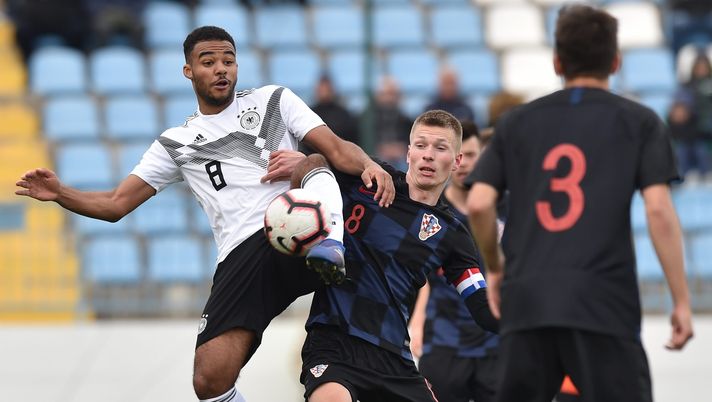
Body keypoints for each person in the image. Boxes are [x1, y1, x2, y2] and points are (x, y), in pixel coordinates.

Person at [16, 26, 395, 402]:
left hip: (301, 227)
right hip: (243, 252)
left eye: (228, 60)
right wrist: (61, 193)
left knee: (312, 159)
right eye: (209, 61)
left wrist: (368, 165)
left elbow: (336, 147)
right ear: (188, 71)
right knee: (209, 380)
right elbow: (117, 204)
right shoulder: (176, 143)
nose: (221, 69)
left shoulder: (274, 101)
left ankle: (331, 246)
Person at [467, 5, 694, 402]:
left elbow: (480, 204)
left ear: (557, 62)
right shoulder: (639, 122)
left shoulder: (517, 123)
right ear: (616, 61)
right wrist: (681, 300)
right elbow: (658, 210)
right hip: (602, 302)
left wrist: (497, 270)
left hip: (528, 300)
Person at [299, 110, 498, 402]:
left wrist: (531, 320)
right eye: (421, 145)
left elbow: (481, 306)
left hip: (394, 359)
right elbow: (317, 159)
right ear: (408, 153)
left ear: (456, 162)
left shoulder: (453, 234)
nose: (428, 155)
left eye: (440, 148)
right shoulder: (369, 181)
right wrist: (304, 170)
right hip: (334, 343)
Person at [409, 121, 499, 402]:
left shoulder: (504, 208)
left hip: (495, 343)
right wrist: (418, 320)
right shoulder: (432, 211)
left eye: (474, 156)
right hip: (444, 340)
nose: (467, 164)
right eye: (464, 156)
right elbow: (419, 272)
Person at [362, 76, 413, 171]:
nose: (389, 98)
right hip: (376, 158)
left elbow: (410, 143)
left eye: (393, 94)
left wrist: (401, 149)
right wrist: (382, 149)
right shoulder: (367, 119)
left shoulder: (406, 119)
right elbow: (365, 142)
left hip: (401, 159)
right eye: (386, 94)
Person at [302, 75, 359, 155]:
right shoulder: (309, 113)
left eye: (327, 89)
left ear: (332, 90)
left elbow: (352, 140)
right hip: (313, 158)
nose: (324, 92)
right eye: (321, 89)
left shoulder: (343, 114)